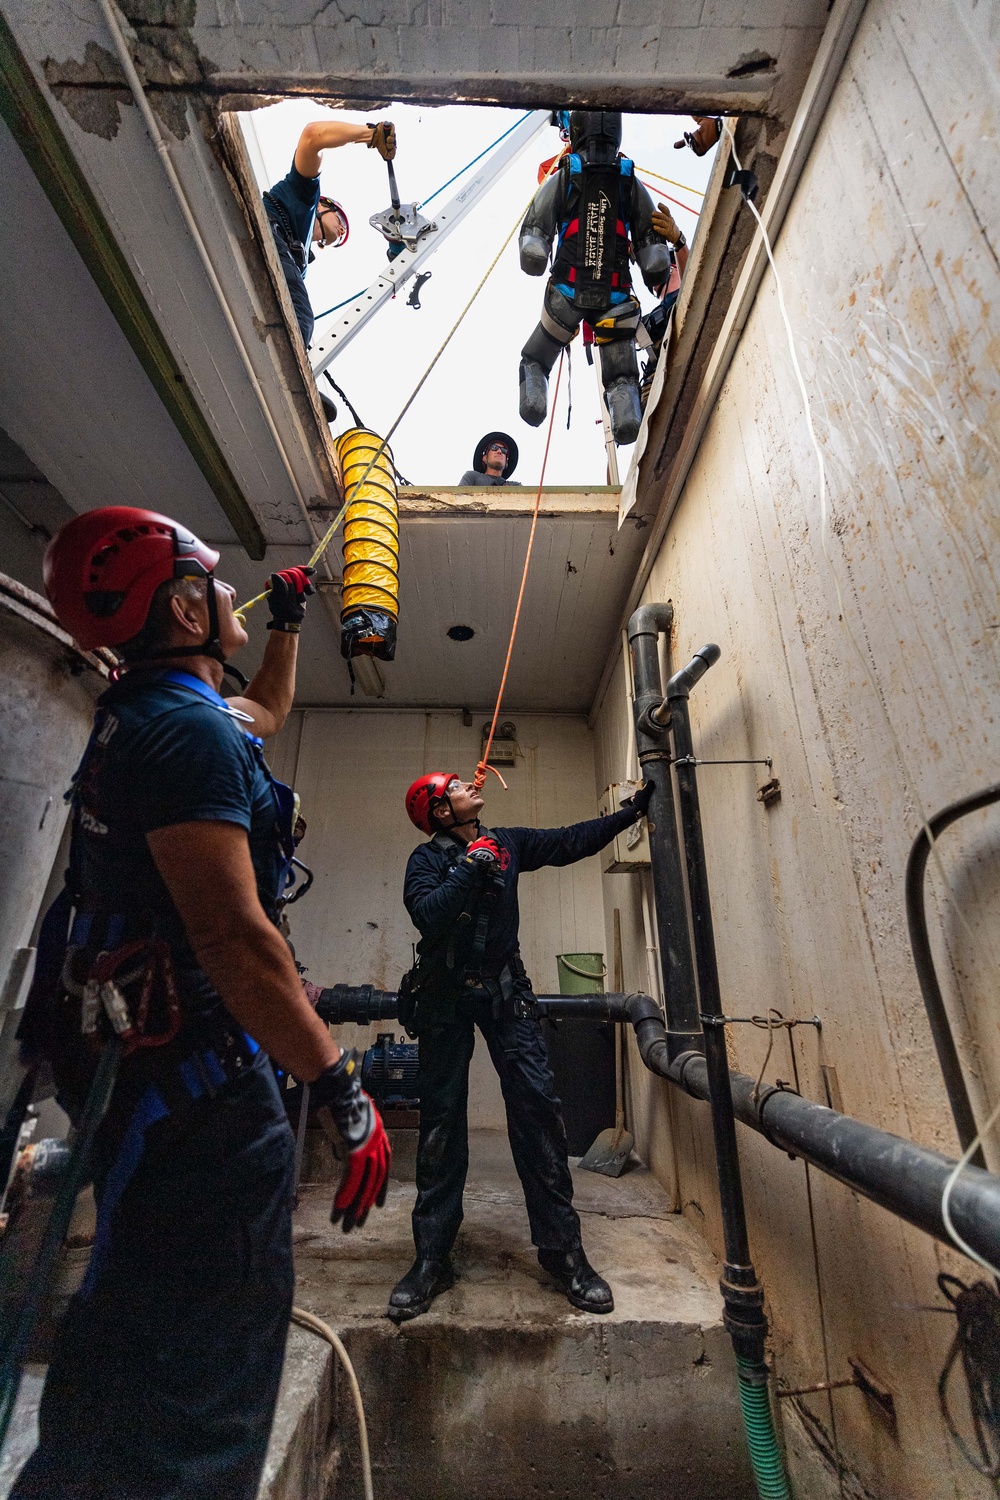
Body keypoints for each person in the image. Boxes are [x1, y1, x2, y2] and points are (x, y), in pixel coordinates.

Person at [13, 506, 390, 1500]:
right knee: (209, 1367)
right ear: (182, 606)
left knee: (134, 1322)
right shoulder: (184, 737)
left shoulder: (159, 710)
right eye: (214, 582)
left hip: (148, 1078)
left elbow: (260, 715)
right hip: (205, 1100)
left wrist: (289, 628)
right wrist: (339, 1084)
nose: (234, 589)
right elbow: (233, 941)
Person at [388, 772, 653, 1322]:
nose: (469, 784)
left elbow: (567, 841)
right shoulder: (427, 860)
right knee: (440, 1124)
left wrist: (630, 814)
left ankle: (564, 1252)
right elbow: (428, 916)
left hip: (505, 992)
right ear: (441, 812)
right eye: (456, 786)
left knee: (537, 1111)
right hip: (444, 996)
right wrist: (468, 866)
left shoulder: (506, 844)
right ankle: (432, 1258)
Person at [517, 110, 670, 446]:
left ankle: (535, 398)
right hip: (615, 300)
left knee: (536, 358)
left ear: (575, 131)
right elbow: (648, 235)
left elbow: (537, 226)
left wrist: (535, 246)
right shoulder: (627, 180)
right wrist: (654, 259)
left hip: (565, 295)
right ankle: (626, 414)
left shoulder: (566, 175)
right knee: (621, 376)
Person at [264, 117, 397, 351]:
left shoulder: (300, 260)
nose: (342, 229)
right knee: (301, 318)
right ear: (323, 205)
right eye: (340, 219)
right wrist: (371, 135)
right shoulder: (303, 194)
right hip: (267, 232)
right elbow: (313, 135)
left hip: (278, 255)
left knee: (299, 319)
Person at [639, 201, 691, 407]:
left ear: (672, 267)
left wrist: (678, 242)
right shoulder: (647, 322)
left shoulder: (690, 287)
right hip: (662, 386)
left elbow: (694, 280)